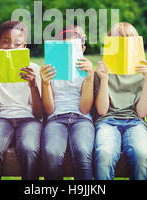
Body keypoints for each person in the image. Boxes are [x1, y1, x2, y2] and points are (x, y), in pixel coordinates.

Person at [0, 20, 43, 180]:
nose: (11, 47)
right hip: (3, 120)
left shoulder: (34, 70)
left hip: (29, 120)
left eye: (17, 43)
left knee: (29, 149)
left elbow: (38, 114)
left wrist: (33, 86)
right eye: (6, 42)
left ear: (24, 47)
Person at [94, 22, 147, 180]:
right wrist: (104, 79)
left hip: (134, 121)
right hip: (107, 121)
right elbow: (101, 111)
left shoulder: (142, 71)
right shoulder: (102, 71)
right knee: (104, 153)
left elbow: (141, 113)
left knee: (142, 154)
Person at [40, 25, 95, 180]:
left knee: (83, 152)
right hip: (56, 118)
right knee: (52, 153)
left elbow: (84, 109)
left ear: (82, 49)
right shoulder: (51, 71)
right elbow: (49, 110)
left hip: (82, 119)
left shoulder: (87, 71)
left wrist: (90, 77)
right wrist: (45, 84)